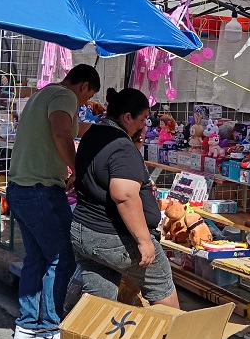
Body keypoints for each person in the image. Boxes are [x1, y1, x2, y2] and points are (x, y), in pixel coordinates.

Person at [6, 64, 101, 339]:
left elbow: (71, 128)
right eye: (87, 97)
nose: (84, 104)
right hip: (41, 192)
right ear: (83, 86)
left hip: (19, 189)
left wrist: (101, 129)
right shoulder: (65, 96)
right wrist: (77, 168)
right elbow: (61, 133)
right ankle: (49, 328)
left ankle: (26, 324)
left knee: (35, 257)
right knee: (62, 258)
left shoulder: (42, 94)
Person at [70, 87, 180, 310]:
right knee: (161, 285)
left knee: (99, 301)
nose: (145, 126)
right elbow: (125, 196)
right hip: (112, 236)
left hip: (85, 232)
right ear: (127, 117)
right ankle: (174, 332)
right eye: (143, 119)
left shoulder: (94, 134)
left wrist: (134, 146)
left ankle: (96, 331)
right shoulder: (121, 146)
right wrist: (144, 241)